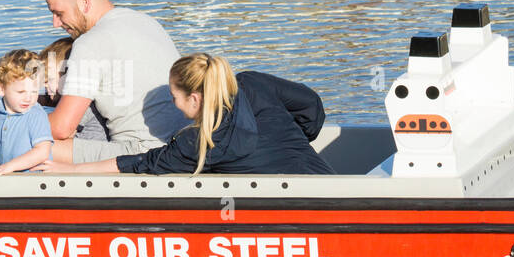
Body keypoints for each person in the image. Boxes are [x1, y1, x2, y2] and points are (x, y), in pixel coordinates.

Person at [36, 53, 337, 176]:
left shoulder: (198, 143)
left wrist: (71, 171)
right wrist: (291, 137)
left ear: (195, 98)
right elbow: (312, 108)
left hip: (297, 209)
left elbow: (139, 163)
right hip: (327, 179)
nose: (174, 106)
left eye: (173, 98)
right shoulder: (251, 82)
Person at [39, 0, 188, 163]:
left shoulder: (90, 43)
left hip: (140, 152)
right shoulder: (146, 22)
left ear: (84, 2)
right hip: (181, 145)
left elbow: (61, 129)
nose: (55, 23)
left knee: (22, 142)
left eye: (58, 13)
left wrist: (4, 125)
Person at [0, 49, 53, 176]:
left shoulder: (36, 115)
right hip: (10, 176)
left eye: (34, 92)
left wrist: (8, 166)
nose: (28, 98)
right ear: (1, 88)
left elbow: (42, 151)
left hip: (35, 179)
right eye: (21, 92)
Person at [37, 37, 108, 141]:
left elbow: (60, 131)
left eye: (49, 80)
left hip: (89, 148)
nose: (44, 84)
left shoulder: (83, 102)